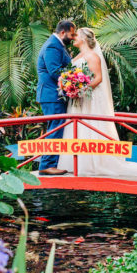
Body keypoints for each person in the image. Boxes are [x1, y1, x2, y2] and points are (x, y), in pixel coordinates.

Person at [57, 28, 137, 182]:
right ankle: (76, 163)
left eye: (77, 35)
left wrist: (80, 90)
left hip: (88, 99)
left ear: (85, 39)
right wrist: (70, 86)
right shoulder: (77, 56)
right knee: (77, 126)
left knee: (90, 126)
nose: (74, 37)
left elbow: (98, 78)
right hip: (78, 100)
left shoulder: (93, 56)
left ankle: (94, 163)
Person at [36, 19, 76, 175]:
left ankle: (49, 164)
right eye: (71, 34)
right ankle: (47, 165)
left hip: (53, 95)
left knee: (55, 128)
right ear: (63, 32)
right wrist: (75, 79)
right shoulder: (53, 45)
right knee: (55, 129)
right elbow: (54, 71)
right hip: (52, 95)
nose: (73, 37)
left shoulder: (58, 45)